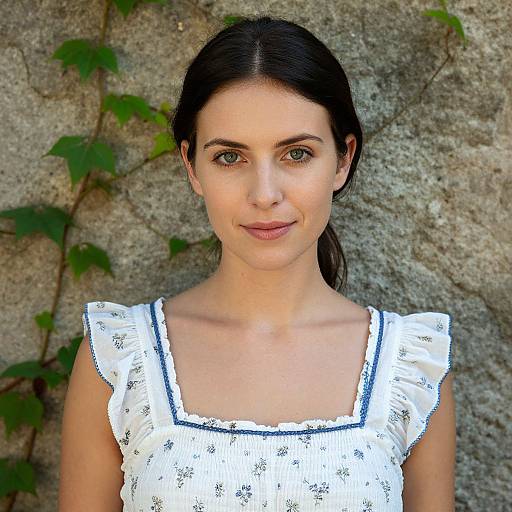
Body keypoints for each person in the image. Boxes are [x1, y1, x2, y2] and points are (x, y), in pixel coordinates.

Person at [59, 15, 456, 512]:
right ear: (191, 166)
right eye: (230, 157)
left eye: (296, 153)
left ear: (342, 159)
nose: (264, 194)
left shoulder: (410, 369)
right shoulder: (119, 361)